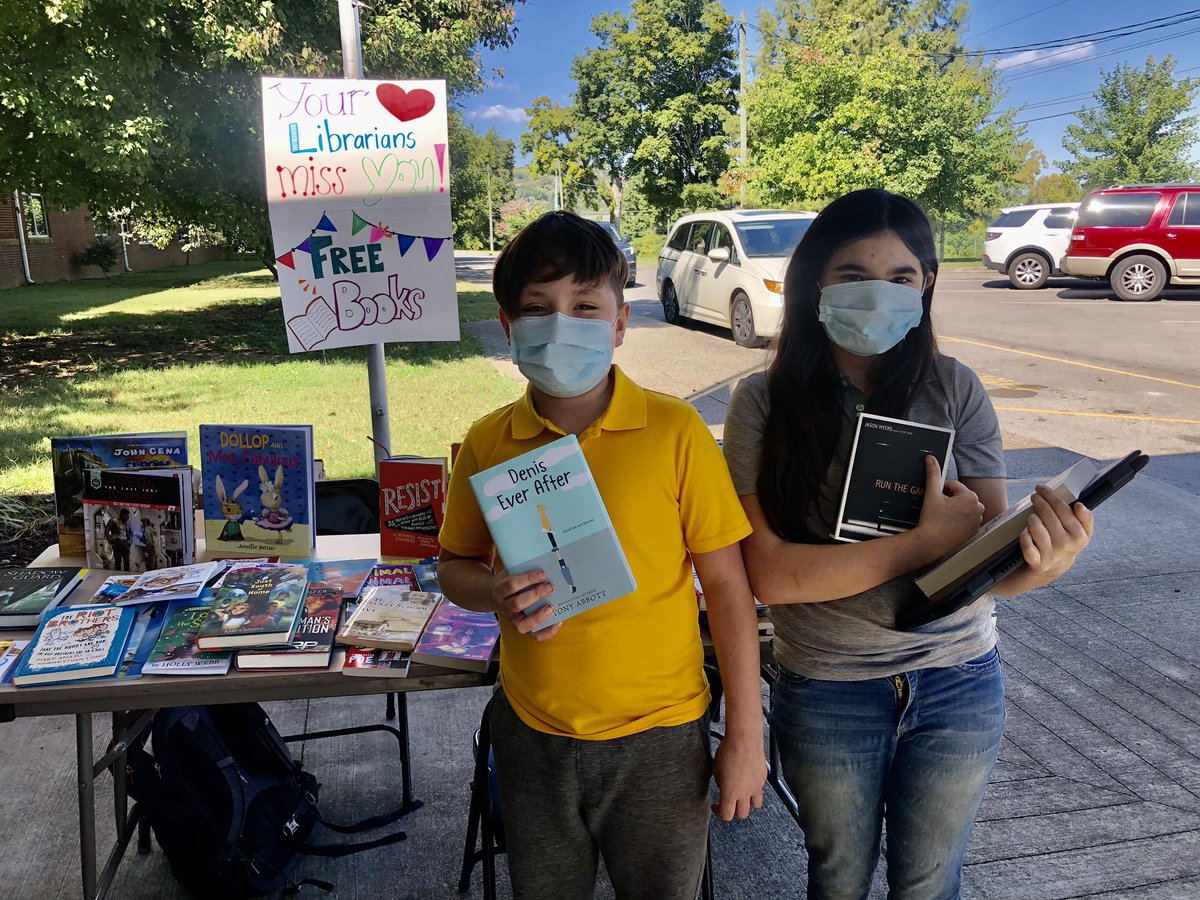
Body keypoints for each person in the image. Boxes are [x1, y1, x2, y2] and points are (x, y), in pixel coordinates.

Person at [722, 188, 1094, 899]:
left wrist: (1049, 559)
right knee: (839, 880)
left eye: (901, 276)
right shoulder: (761, 403)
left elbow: (985, 566)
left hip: (957, 680)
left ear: (926, 284)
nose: (878, 293)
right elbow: (769, 575)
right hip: (829, 686)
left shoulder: (955, 388)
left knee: (930, 883)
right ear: (814, 283)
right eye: (853, 274)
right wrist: (919, 545)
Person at [438, 211, 767, 900]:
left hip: (661, 738)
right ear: (507, 325)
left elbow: (728, 589)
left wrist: (745, 732)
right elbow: (454, 566)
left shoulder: (676, 432)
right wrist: (491, 590)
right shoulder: (487, 442)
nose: (561, 324)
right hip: (533, 733)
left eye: (585, 307)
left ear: (620, 324)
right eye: (537, 308)